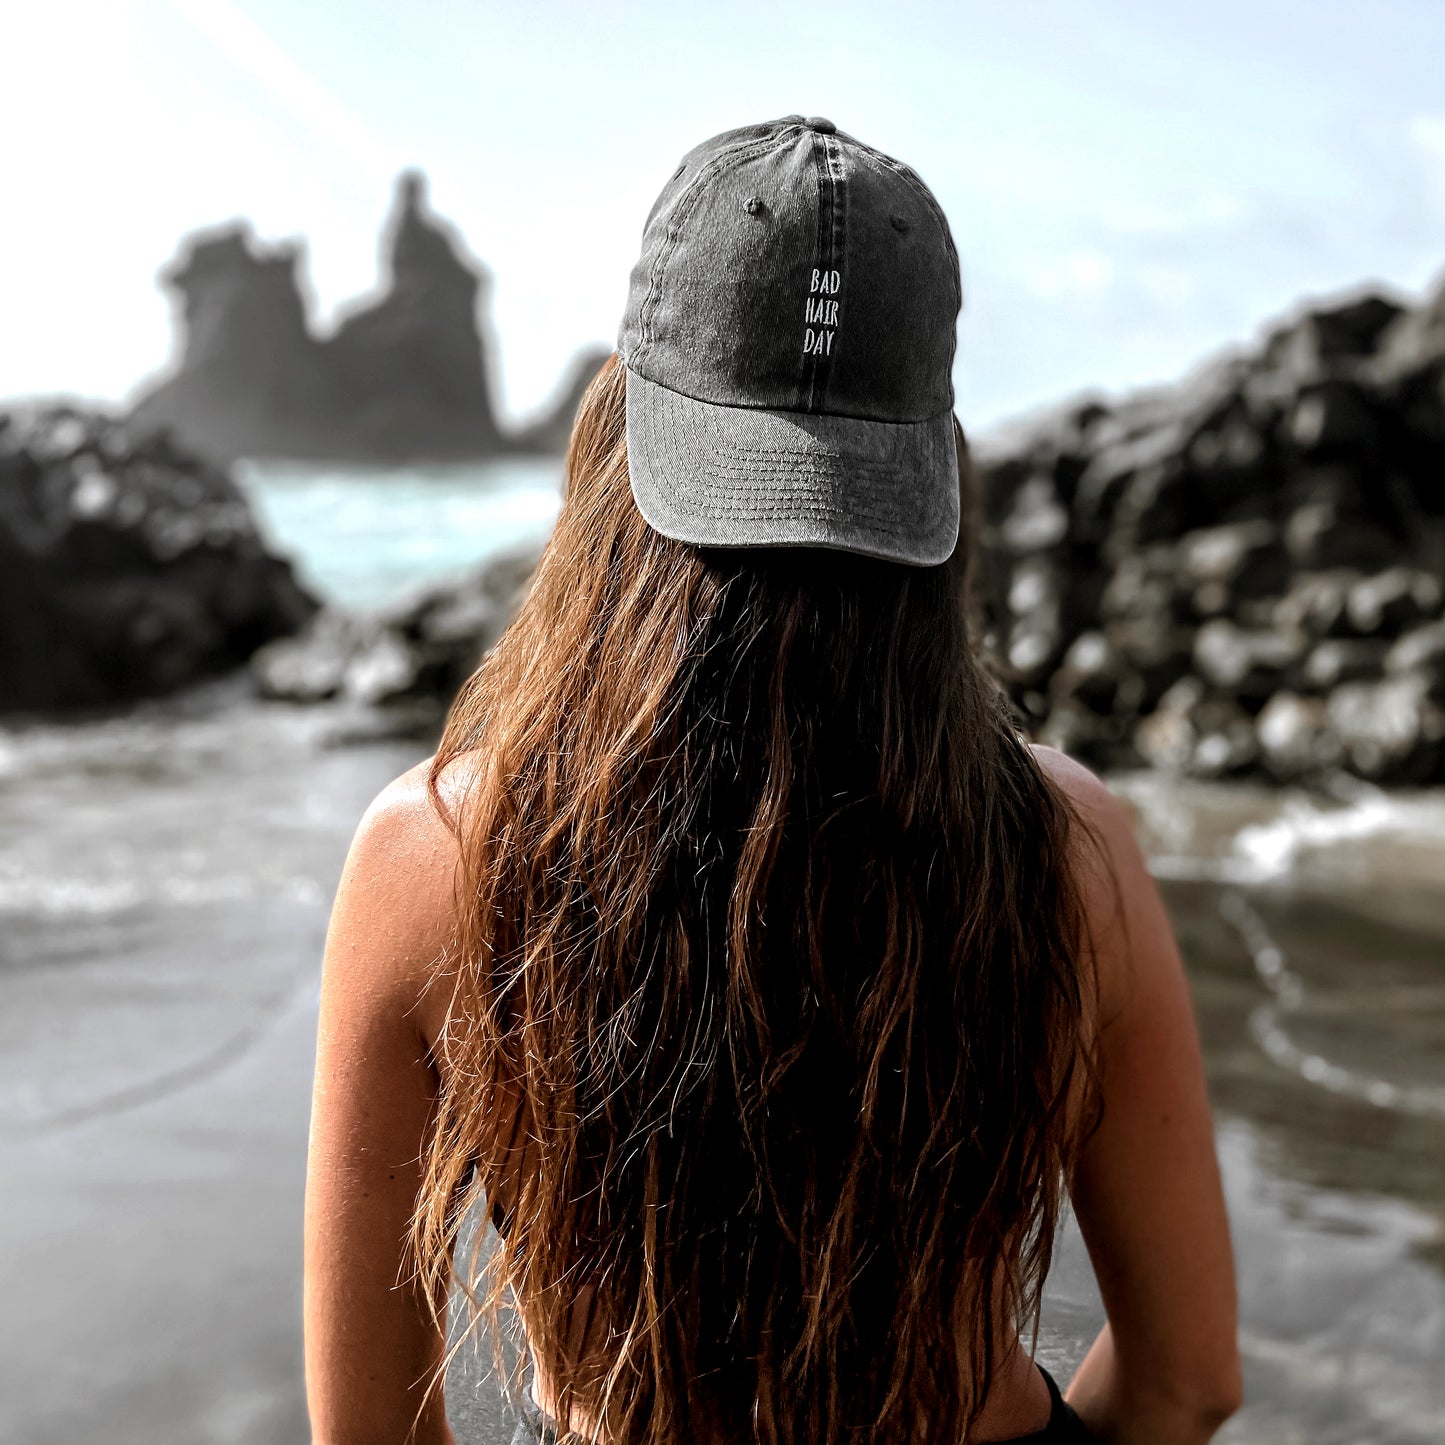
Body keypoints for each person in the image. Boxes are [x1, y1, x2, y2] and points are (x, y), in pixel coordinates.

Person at [303, 117, 1241, 1445]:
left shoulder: (438, 847)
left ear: (616, 432)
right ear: (928, 466)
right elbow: (1187, 1379)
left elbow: (369, 1435)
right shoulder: (1061, 842)